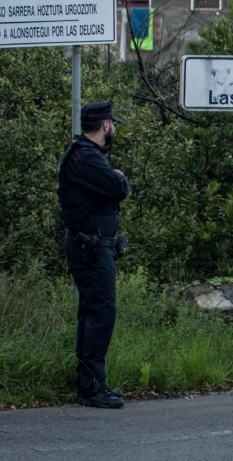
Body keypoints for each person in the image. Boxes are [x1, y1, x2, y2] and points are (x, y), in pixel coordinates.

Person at [58, 102, 131, 409]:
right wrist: (118, 175)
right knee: (101, 313)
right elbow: (119, 188)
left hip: (94, 246)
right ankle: (92, 387)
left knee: (93, 313)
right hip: (90, 248)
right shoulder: (85, 157)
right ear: (104, 126)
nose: (113, 128)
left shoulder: (85, 155)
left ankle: (91, 382)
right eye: (111, 123)